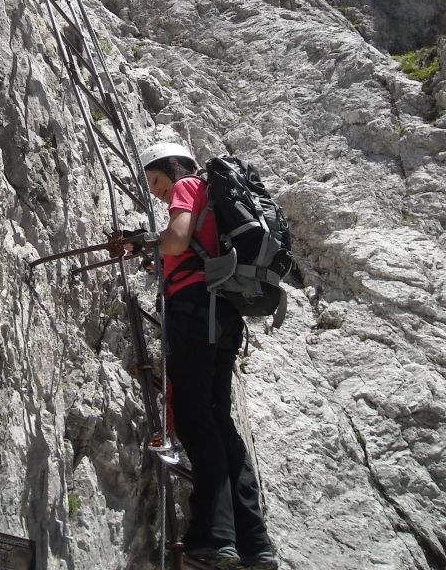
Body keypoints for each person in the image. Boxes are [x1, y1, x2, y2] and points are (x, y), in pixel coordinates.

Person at [138, 141, 278, 570]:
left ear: (170, 168)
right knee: (219, 420)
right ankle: (254, 542)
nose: (160, 193)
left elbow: (178, 241)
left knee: (194, 416)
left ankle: (215, 537)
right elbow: (196, 249)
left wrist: (146, 241)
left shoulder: (187, 187)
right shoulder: (214, 199)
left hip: (196, 312)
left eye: (157, 182)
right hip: (226, 316)